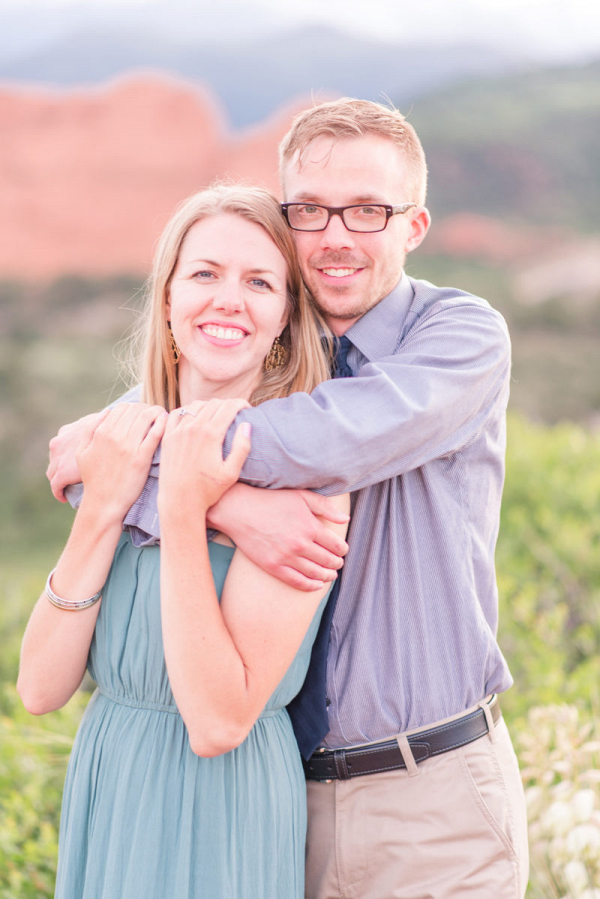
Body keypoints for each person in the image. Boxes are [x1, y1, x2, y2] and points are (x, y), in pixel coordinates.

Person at [47, 98, 529, 898]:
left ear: (413, 226)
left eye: (369, 210)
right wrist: (216, 498)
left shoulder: (459, 339)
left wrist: (142, 469)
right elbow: (96, 455)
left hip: (428, 802)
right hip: (276, 807)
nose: (337, 235)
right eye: (311, 210)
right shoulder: (261, 359)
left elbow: (326, 442)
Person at [18, 184, 350, 899]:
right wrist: (105, 504)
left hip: (223, 805)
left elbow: (218, 720)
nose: (228, 299)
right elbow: (41, 687)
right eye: (205, 273)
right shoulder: (122, 433)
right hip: (110, 777)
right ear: (167, 300)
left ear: (286, 318)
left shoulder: (309, 478)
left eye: (259, 282)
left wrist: (184, 503)